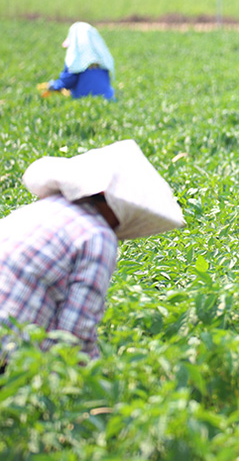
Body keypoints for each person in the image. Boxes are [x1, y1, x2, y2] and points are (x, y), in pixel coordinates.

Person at [0, 140, 185, 367]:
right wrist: (97, 382)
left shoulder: (37, 210)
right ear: (114, 203)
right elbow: (75, 333)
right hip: (8, 349)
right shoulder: (96, 235)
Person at [38, 22, 116, 101]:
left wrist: (53, 86)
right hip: (107, 98)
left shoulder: (76, 58)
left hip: (84, 99)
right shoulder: (101, 58)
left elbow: (67, 81)